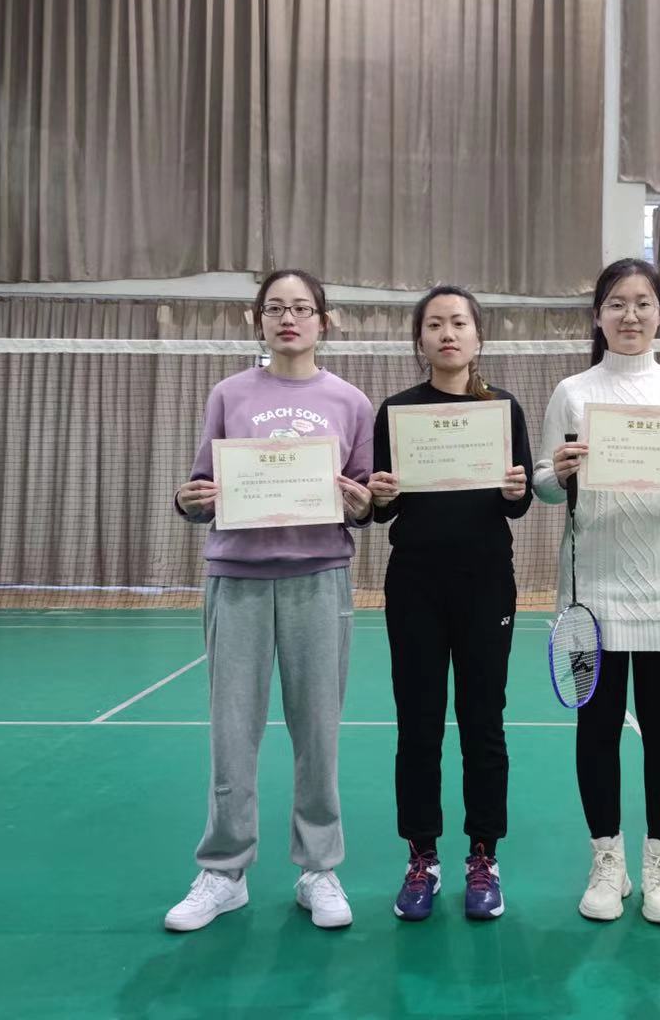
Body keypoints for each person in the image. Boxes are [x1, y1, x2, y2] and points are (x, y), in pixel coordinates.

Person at [166, 269, 375, 932]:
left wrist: (363, 503)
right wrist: (188, 499)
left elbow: (366, 498)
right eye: (276, 308)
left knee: (318, 733)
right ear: (258, 320)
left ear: (323, 321)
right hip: (238, 581)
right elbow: (201, 489)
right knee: (232, 734)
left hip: (320, 578)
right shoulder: (228, 394)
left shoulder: (351, 401)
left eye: (302, 308)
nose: (289, 318)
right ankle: (224, 872)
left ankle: (319, 869)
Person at [533, 258, 660, 925]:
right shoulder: (573, 392)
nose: (630, 314)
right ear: (598, 315)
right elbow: (543, 486)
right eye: (616, 303)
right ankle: (607, 861)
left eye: (642, 302)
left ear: (659, 313)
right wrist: (557, 470)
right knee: (598, 728)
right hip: (593, 592)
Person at [367, 285, 533, 921]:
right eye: (434, 324)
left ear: (477, 336)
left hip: (486, 583)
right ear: (420, 339)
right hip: (415, 585)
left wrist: (516, 490)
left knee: (484, 722)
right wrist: (381, 494)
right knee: (419, 724)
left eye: (458, 322)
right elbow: (383, 509)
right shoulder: (397, 412)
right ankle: (422, 856)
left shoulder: (502, 410)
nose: (447, 333)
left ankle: (484, 855)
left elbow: (517, 503)